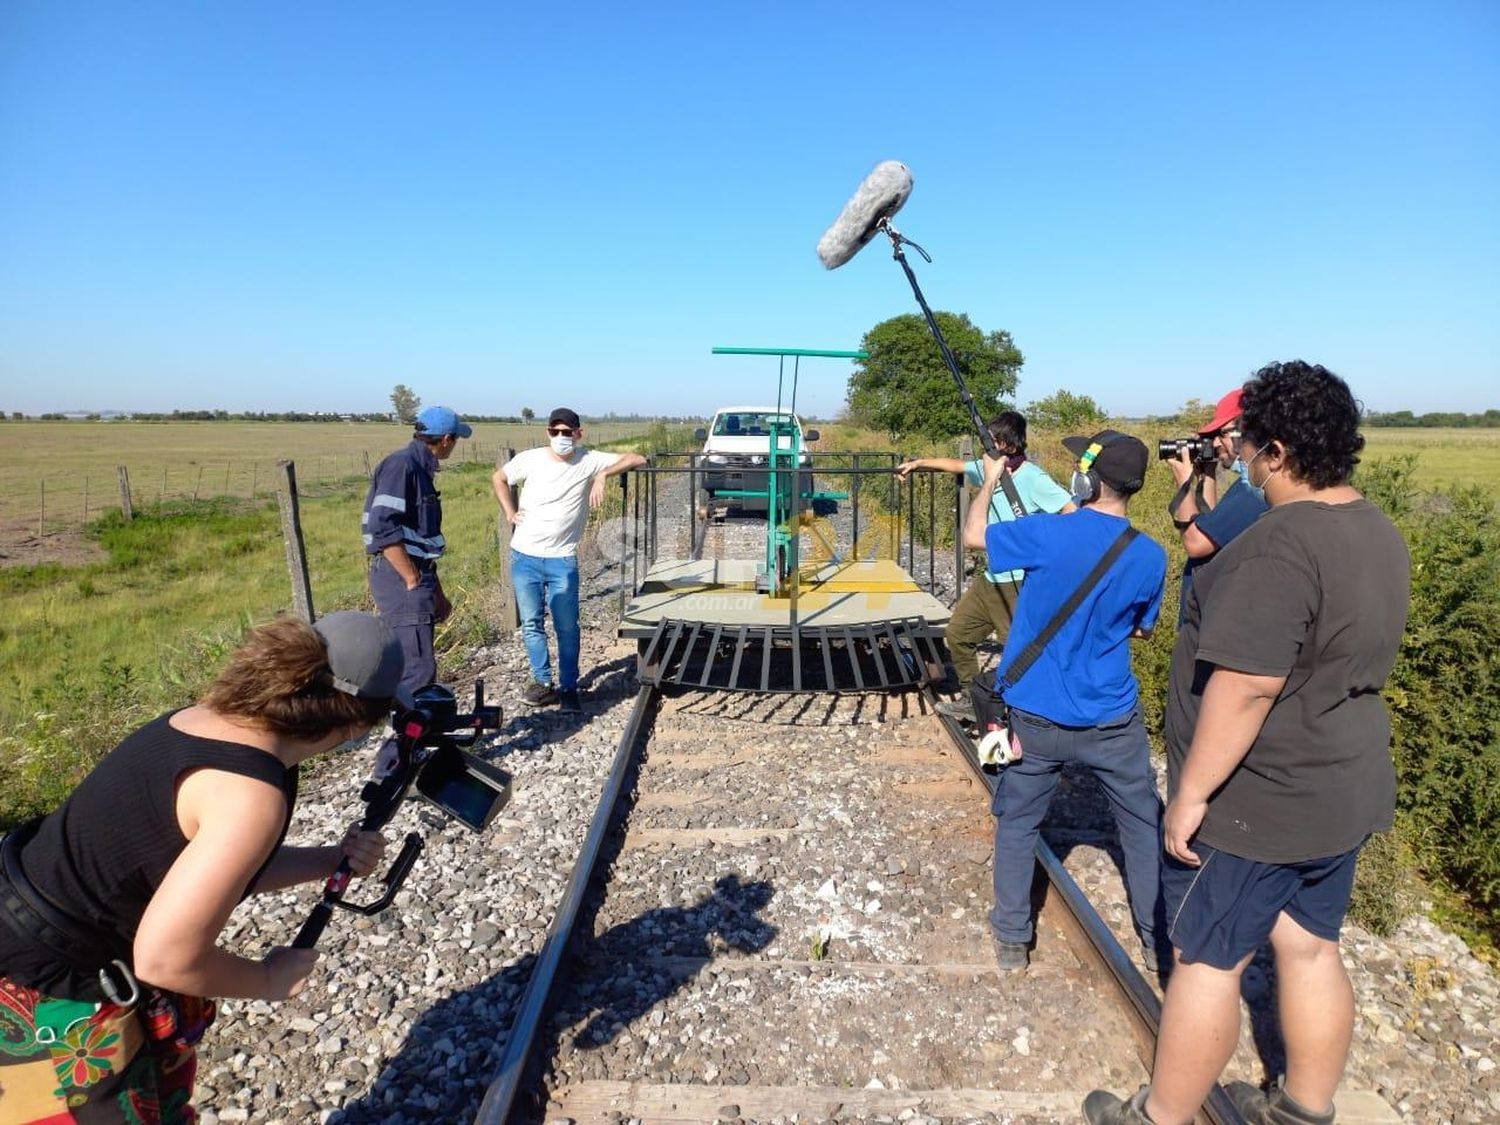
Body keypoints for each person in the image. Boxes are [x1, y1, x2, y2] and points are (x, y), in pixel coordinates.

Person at [1084, 362, 1411, 1125]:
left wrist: (1189, 796)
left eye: (1254, 445)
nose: (1250, 460)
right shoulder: (1377, 527)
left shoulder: (1282, 540)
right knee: (1310, 947)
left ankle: (1158, 1114)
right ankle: (1304, 1106)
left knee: (1206, 960)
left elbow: (1247, 686)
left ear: (1279, 451)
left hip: (1265, 798)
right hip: (1345, 783)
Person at [0, 612, 400, 1122]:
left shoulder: (202, 721)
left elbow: (200, 867)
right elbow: (165, 958)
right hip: (57, 993)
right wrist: (267, 978)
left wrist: (327, 860)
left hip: (23, 937)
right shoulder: (251, 794)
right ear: (351, 723)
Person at [964, 429, 1168, 973]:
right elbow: (1143, 630)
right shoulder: (1150, 556)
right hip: (1111, 719)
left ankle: (1012, 939)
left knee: (1019, 821)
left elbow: (974, 535)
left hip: (1035, 715)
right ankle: (1155, 942)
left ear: (1087, 479)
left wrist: (987, 482)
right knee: (1141, 827)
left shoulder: (1048, 534)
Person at [896, 411, 1074, 722]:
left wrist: (1044, 547)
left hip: (1020, 583)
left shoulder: (1034, 479)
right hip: (991, 578)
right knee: (959, 633)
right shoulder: (989, 469)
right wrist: (918, 463)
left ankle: (1023, 714)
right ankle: (971, 697)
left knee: (1018, 652)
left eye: (990, 440)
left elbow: (1071, 511)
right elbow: (957, 466)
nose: (984, 445)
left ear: (1005, 444)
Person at [492, 407, 646, 713]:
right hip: (525, 557)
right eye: (555, 432)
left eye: (567, 432)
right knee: (532, 623)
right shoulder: (530, 459)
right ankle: (542, 682)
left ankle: (569, 688)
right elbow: (498, 478)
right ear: (548, 432)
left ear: (578, 434)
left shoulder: (589, 460)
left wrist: (603, 474)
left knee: (567, 626)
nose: (561, 437)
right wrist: (510, 512)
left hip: (562, 559)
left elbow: (639, 458)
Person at [362, 405, 473, 695]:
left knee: (415, 667)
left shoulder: (418, 469)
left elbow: (422, 544)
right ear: (446, 439)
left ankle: (416, 736)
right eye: (456, 440)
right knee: (417, 672)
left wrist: (435, 592)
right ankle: (398, 741)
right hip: (400, 578)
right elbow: (383, 527)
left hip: (414, 574)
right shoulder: (403, 466)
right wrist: (412, 580)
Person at [1166, 388, 1267, 623]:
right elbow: (1214, 526)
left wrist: (1183, 481)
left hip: (1216, 623)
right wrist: (1207, 474)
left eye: (1222, 433)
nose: (1216, 443)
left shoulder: (1255, 492)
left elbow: (1196, 542)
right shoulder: (1249, 485)